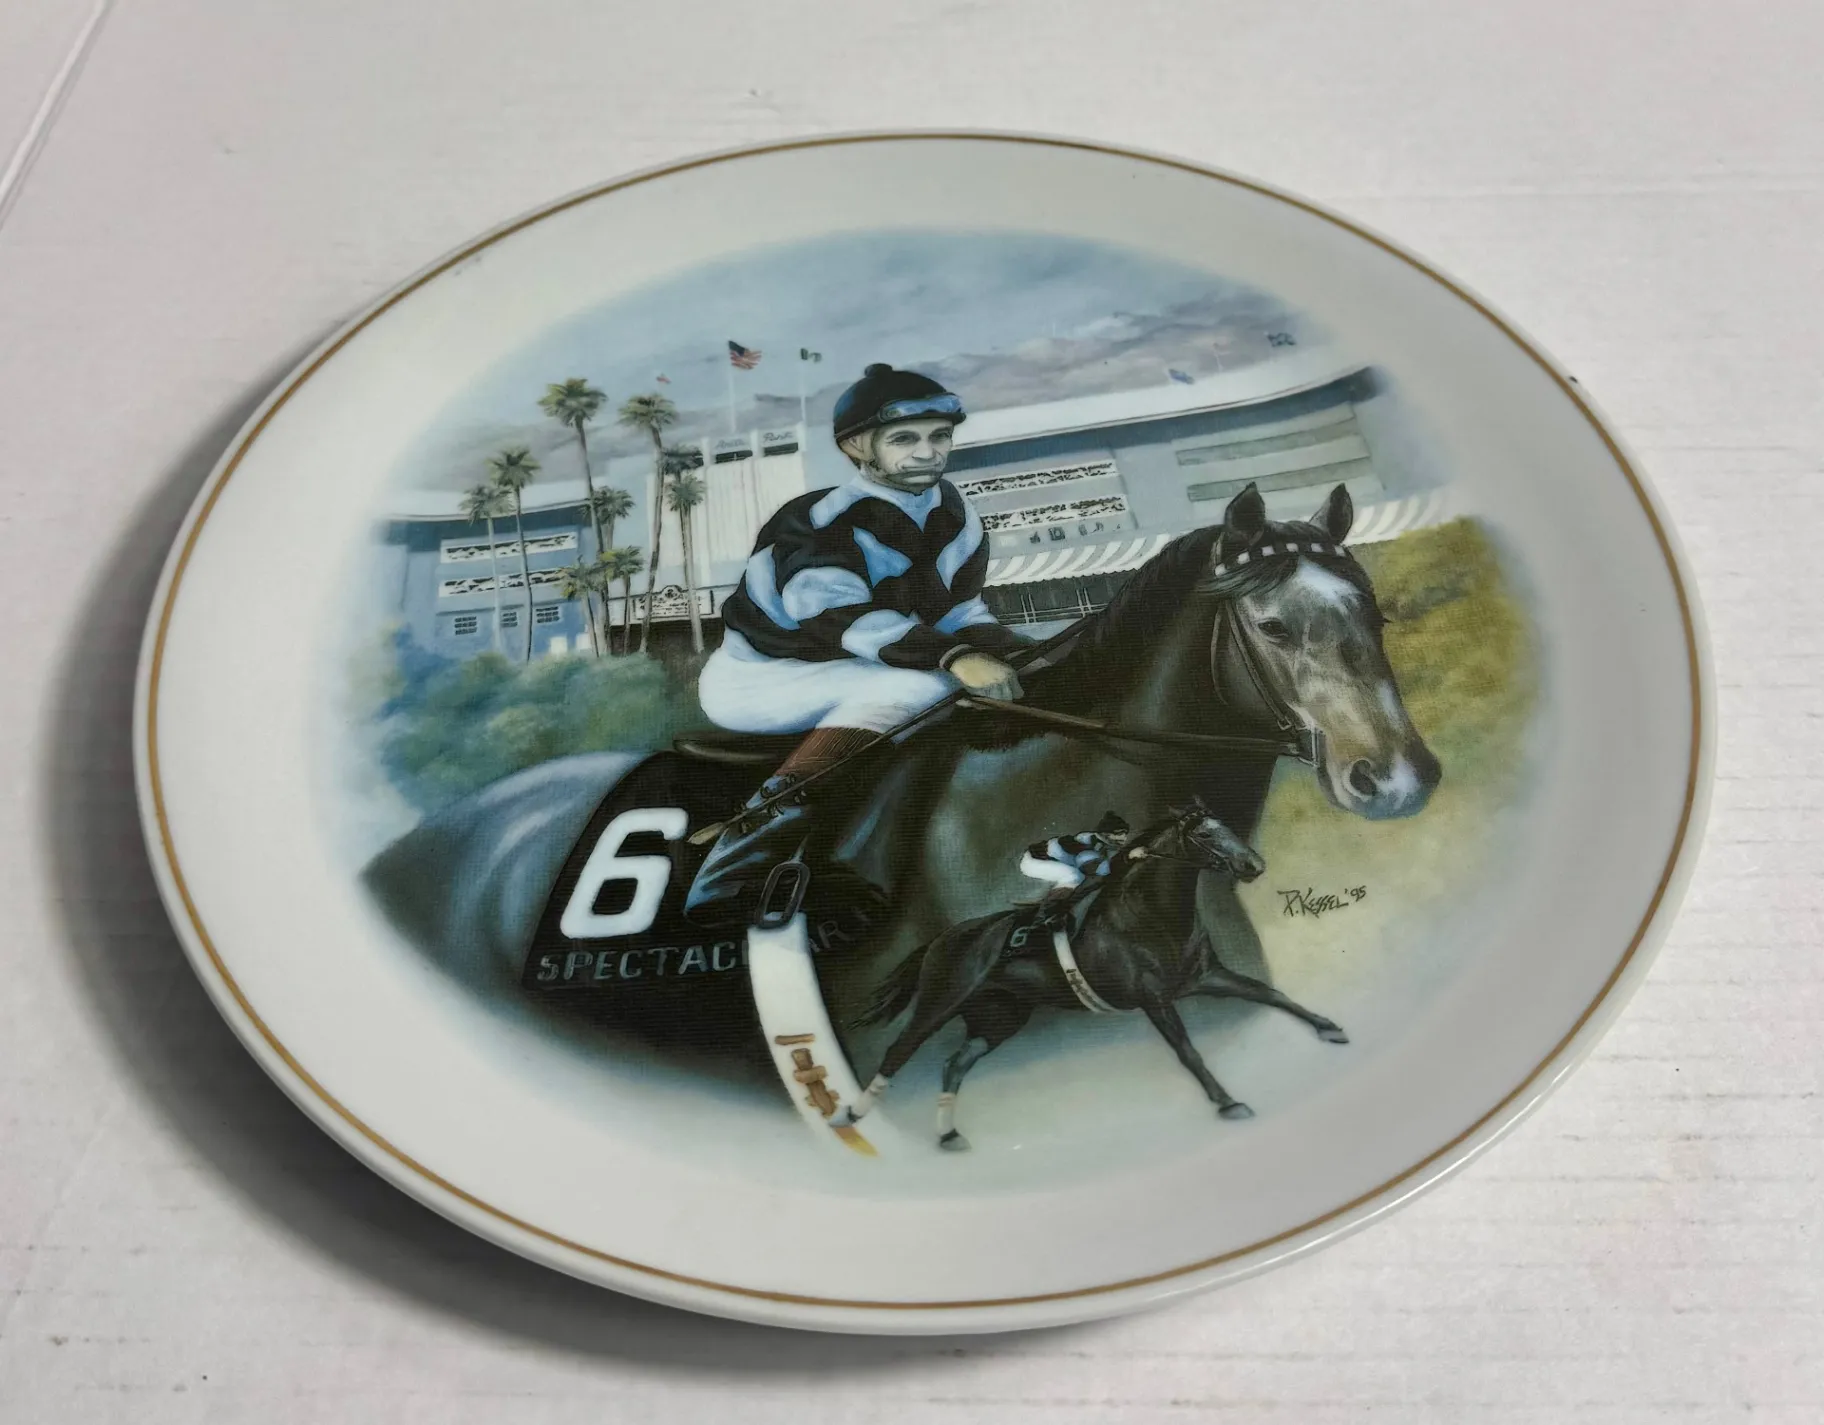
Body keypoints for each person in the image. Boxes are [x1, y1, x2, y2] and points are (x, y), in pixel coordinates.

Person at [687, 364, 1029, 925]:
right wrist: (955, 656)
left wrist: (1017, 650)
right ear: (856, 447)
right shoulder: (818, 518)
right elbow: (840, 617)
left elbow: (960, 611)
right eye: (905, 439)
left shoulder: (956, 513)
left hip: (857, 668)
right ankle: (737, 861)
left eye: (940, 436)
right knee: (922, 687)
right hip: (765, 676)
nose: (928, 453)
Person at [1020, 812, 1146, 926]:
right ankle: (1042, 919)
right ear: (1106, 834)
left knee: (1080, 877)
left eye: (1125, 833)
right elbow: (1103, 870)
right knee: (1074, 876)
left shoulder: (1102, 843)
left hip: (1053, 858)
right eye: (1119, 833)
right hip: (1034, 861)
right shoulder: (1089, 845)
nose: (1124, 838)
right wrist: (1129, 856)